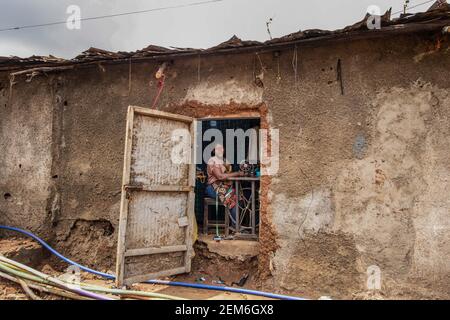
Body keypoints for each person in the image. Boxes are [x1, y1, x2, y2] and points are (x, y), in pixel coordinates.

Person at [205, 144, 243, 225]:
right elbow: (220, 176)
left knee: (239, 197)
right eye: (217, 148)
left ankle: (235, 226)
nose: (220, 150)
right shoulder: (212, 161)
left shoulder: (225, 161)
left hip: (225, 188)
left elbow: (228, 174)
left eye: (222, 148)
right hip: (213, 188)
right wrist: (238, 173)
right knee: (232, 197)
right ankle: (236, 228)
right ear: (213, 151)